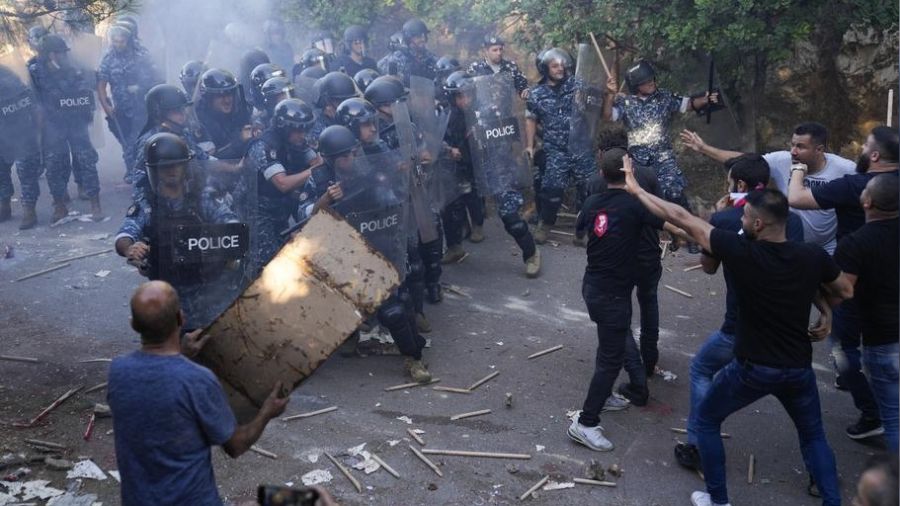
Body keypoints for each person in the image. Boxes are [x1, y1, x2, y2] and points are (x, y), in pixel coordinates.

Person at [622, 160, 853, 506]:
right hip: (797, 369)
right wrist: (826, 310)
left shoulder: (742, 251)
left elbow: (683, 218)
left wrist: (637, 190)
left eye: (745, 218)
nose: (741, 221)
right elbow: (844, 290)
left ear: (758, 223)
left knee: (709, 419)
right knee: (814, 435)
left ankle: (718, 500)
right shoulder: (811, 256)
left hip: (752, 367)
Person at [674, 153, 806, 473]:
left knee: (702, 368)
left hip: (741, 328)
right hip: (789, 335)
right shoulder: (794, 221)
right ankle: (818, 477)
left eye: (730, 180)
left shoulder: (728, 220)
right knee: (808, 422)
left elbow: (708, 266)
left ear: (740, 185)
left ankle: (697, 443)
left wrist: (717, 220)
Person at [108, 281, 288, 506]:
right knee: (307, 499)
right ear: (181, 318)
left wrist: (182, 354)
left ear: (133, 324)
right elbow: (236, 446)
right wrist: (267, 413)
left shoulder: (118, 371)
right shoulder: (197, 379)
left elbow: (159, 381)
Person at [568, 148, 686, 451]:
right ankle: (586, 422)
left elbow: (580, 230)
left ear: (601, 173)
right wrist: (684, 234)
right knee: (610, 359)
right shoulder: (635, 206)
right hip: (611, 295)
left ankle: (605, 396)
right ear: (630, 170)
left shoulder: (593, 202)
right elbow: (668, 221)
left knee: (609, 343)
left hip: (593, 287)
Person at [788, 126, 899, 442]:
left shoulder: (855, 187)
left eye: (865, 146)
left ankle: (871, 412)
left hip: (856, 284)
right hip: (892, 288)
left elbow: (796, 198)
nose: (861, 150)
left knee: (844, 351)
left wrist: (797, 170)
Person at [297, 125, 432, 383]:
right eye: (344, 156)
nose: (351, 159)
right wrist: (326, 198)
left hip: (372, 243)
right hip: (336, 248)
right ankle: (349, 335)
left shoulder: (368, 170)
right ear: (331, 159)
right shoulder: (319, 177)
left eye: (352, 153)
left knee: (394, 308)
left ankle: (414, 357)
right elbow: (307, 215)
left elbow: (391, 203)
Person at [114, 133, 245, 329]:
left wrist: (225, 241)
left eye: (176, 164)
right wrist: (131, 249)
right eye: (165, 166)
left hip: (211, 292)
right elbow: (125, 235)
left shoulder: (202, 198)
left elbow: (230, 223)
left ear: (185, 166)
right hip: (170, 297)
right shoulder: (148, 205)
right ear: (154, 171)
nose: (171, 170)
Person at [681, 122, 855, 253]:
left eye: (800, 147)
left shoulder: (845, 169)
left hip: (828, 246)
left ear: (819, 150)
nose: (793, 151)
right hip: (789, 242)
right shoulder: (783, 160)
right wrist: (704, 148)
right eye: (792, 144)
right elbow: (747, 160)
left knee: (834, 296)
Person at [602, 61, 720, 248]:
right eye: (646, 82)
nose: (651, 83)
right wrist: (609, 94)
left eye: (652, 79)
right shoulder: (625, 102)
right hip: (637, 159)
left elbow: (688, 104)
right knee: (638, 198)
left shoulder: (664, 97)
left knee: (674, 191)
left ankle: (690, 235)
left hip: (663, 156)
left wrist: (706, 99)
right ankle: (647, 237)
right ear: (635, 86)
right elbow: (608, 116)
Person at [583, 139, 666, 383]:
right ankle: (649, 359)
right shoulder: (648, 174)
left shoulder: (596, 182)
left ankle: (634, 367)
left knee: (620, 313)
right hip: (649, 255)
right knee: (649, 302)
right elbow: (663, 211)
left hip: (618, 261)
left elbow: (591, 224)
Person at [833, 174, 899, 452]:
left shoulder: (855, 244)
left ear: (867, 201)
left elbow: (842, 292)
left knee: (893, 420)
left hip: (883, 340)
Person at [29, 34, 103, 223]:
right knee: (54, 166)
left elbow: (87, 88)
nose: (63, 56)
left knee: (86, 161)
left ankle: (95, 203)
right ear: (50, 54)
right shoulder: (35, 69)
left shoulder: (75, 66)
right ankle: (60, 204)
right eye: (59, 53)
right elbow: (33, 97)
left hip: (75, 121)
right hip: (52, 126)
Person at [525, 48, 594, 243]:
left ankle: (582, 233)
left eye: (562, 64)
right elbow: (530, 119)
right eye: (555, 65)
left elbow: (595, 100)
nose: (560, 68)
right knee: (552, 190)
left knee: (587, 191)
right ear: (545, 68)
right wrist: (529, 145)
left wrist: (609, 89)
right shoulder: (536, 93)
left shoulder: (577, 85)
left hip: (581, 147)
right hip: (555, 149)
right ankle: (545, 225)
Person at [245, 98, 320, 269]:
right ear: (284, 127)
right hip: (257, 214)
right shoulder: (264, 146)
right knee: (268, 264)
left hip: (282, 211)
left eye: (305, 130)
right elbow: (282, 183)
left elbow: (317, 161)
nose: (302, 135)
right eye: (298, 130)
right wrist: (313, 170)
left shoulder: (295, 141)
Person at [96, 24, 161, 183]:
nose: (118, 45)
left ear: (129, 41)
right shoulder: (108, 59)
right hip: (122, 109)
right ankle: (132, 171)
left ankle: (146, 170)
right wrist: (107, 107)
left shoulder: (141, 55)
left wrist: (141, 86)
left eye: (122, 41)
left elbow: (156, 78)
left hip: (143, 107)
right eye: (115, 41)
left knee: (143, 140)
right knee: (127, 142)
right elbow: (102, 85)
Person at [439, 71, 486, 264]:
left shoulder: (481, 111)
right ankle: (455, 244)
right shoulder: (446, 115)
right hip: (452, 166)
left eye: (467, 95)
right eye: (459, 96)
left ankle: (477, 224)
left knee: (473, 196)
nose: (464, 100)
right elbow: (437, 138)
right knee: (451, 206)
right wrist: (449, 149)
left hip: (474, 163)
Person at [0, 64, 43, 229]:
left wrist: (36, 134)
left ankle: (29, 210)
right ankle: (4, 205)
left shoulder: (9, 77)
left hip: (21, 132)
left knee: (26, 172)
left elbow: (33, 106)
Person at [194, 68, 253, 160]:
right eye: (220, 96)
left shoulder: (240, 113)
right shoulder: (199, 124)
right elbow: (207, 163)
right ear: (209, 99)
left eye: (229, 94)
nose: (227, 100)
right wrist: (239, 141)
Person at [467, 34, 529, 99]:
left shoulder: (511, 66)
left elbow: (522, 85)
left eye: (500, 49)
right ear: (486, 51)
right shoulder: (475, 68)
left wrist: (525, 90)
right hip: (482, 108)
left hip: (505, 108)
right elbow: (467, 90)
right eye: (495, 50)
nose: (499, 53)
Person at [377, 18, 437, 85]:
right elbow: (379, 68)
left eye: (424, 35)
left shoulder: (430, 57)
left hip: (426, 94)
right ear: (409, 38)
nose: (423, 39)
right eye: (419, 36)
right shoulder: (398, 57)